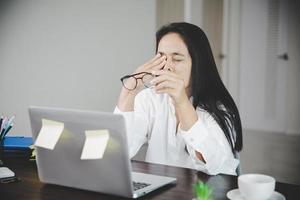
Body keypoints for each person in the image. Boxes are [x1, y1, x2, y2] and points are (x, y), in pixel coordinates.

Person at [114, 22, 242, 175]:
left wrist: (181, 102)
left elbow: (215, 165)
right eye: (161, 58)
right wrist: (129, 92)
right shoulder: (150, 99)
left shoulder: (219, 108)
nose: (167, 67)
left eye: (177, 59)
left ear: (198, 63)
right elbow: (119, 152)